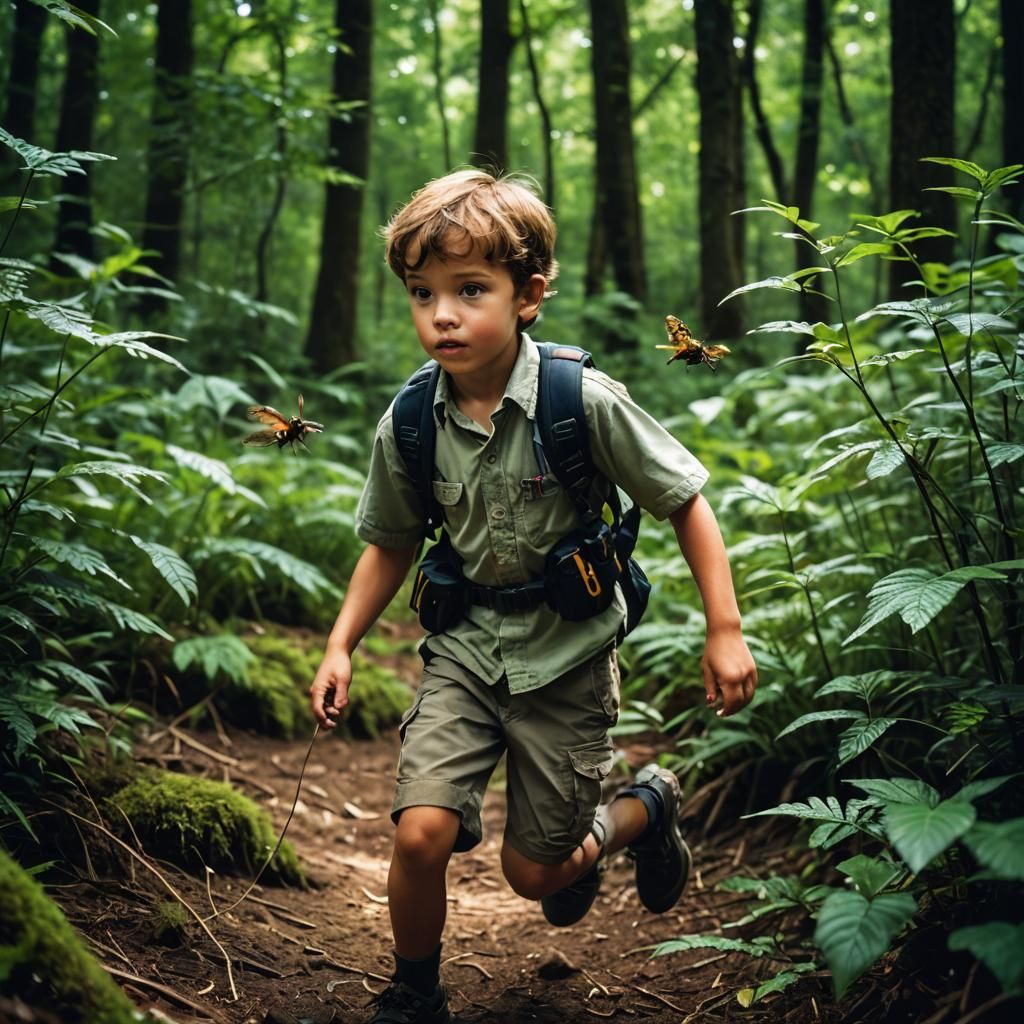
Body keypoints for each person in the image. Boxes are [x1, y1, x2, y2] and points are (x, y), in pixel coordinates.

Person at [310, 169, 758, 1024]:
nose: (441, 314)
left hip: (570, 658)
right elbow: (392, 542)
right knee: (420, 831)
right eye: (422, 292)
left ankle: (643, 808)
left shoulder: (578, 401)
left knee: (537, 875)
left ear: (529, 296)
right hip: (465, 654)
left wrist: (725, 629)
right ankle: (414, 989)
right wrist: (341, 644)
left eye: (469, 289)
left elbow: (685, 502)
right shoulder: (409, 424)